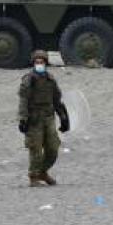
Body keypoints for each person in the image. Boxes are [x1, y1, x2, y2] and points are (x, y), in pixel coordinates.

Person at [18, 49, 70, 187]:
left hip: (48, 117)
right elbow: (23, 100)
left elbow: (57, 100)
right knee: (35, 148)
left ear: (46, 63)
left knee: (53, 148)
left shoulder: (50, 80)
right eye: (37, 62)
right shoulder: (29, 80)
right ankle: (34, 176)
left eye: (42, 62)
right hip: (34, 119)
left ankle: (42, 172)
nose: (39, 64)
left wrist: (63, 117)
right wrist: (23, 118)